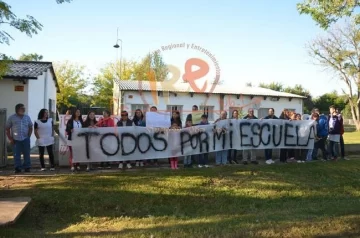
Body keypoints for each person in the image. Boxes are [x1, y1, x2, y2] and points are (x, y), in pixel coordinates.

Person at [6, 103, 33, 173]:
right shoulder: (11, 118)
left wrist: (29, 136)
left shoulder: (27, 117)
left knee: (27, 153)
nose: (24, 109)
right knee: (16, 154)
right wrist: (10, 138)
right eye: (22, 108)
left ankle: (27, 167)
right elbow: (7, 128)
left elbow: (30, 126)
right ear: (17, 109)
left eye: (24, 108)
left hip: (25, 139)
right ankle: (17, 168)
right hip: (15, 139)